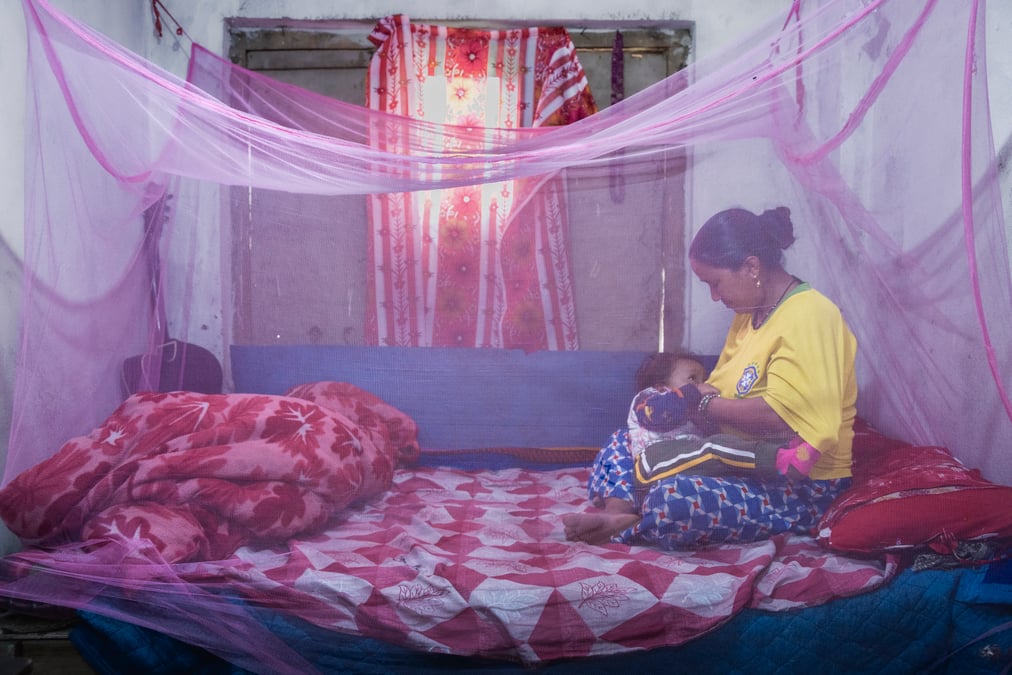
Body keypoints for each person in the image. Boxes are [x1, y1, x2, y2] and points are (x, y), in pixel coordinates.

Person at [563, 206, 857, 549]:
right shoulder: (749, 316)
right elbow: (714, 392)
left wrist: (700, 403)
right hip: (735, 462)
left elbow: (783, 422)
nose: (715, 297)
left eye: (715, 283)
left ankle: (636, 516)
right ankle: (617, 512)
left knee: (674, 500)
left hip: (796, 484)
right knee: (623, 441)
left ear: (751, 267)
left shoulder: (810, 315)